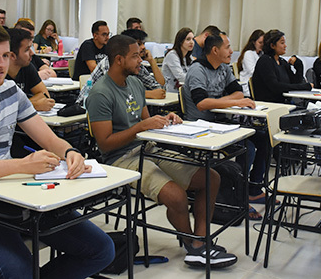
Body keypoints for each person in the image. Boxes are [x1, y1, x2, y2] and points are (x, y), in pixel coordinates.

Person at [0, 21, 114, 279]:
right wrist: (20, 165)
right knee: (20, 272)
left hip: (10, 194)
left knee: (101, 250)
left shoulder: (10, 91)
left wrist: (71, 153)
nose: (1, 64)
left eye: (5, 55)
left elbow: (51, 140)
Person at [85, 34, 237, 269]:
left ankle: (200, 239)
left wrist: (165, 120)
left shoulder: (135, 83)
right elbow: (104, 144)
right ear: (118, 60)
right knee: (175, 196)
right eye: (135, 56)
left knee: (211, 178)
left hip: (148, 147)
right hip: (120, 159)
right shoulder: (101, 93)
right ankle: (196, 248)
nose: (140, 60)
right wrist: (141, 127)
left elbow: (146, 122)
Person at [181, 33, 267, 215]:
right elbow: (202, 103)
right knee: (248, 148)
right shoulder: (198, 70)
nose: (232, 51)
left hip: (220, 122)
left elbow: (238, 94)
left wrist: (222, 100)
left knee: (264, 139)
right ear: (214, 50)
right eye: (227, 47)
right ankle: (239, 197)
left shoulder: (224, 68)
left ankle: (254, 189)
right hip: (200, 126)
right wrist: (231, 101)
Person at [251, 29, 311, 103]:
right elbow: (276, 86)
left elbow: (295, 83)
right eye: (282, 43)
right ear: (272, 45)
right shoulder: (265, 61)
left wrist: (299, 65)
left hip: (283, 103)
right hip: (270, 104)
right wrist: (304, 87)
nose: (285, 46)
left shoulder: (282, 61)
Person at [7, 28, 55, 112]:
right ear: (12, 56)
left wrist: (23, 105)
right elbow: (1, 108)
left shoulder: (27, 66)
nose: (32, 53)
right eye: (27, 49)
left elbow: (44, 94)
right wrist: (34, 105)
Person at [121, 28, 166, 99]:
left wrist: (152, 61)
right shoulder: (112, 62)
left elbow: (160, 88)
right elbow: (116, 91)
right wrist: (148, 94)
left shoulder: (138, 65)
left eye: (143, 43)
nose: (143, 47)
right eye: (139, 44)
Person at [161, 27, 194, 92]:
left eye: (193, 39)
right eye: (188, 39)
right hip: (171, 93)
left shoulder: (189, 56)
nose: (192, 42)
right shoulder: (172, 55)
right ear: (180, 41)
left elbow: (195, 72)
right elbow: (181, 77)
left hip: (185, 91)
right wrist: (197, 79)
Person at [237, 29, 264, 97]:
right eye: (260, 43)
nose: (262, 45)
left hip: (258, 85)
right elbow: (253, 72)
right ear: (253, 42)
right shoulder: (248, 54)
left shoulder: (262, 54)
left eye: (264, 43)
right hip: (249, 87)